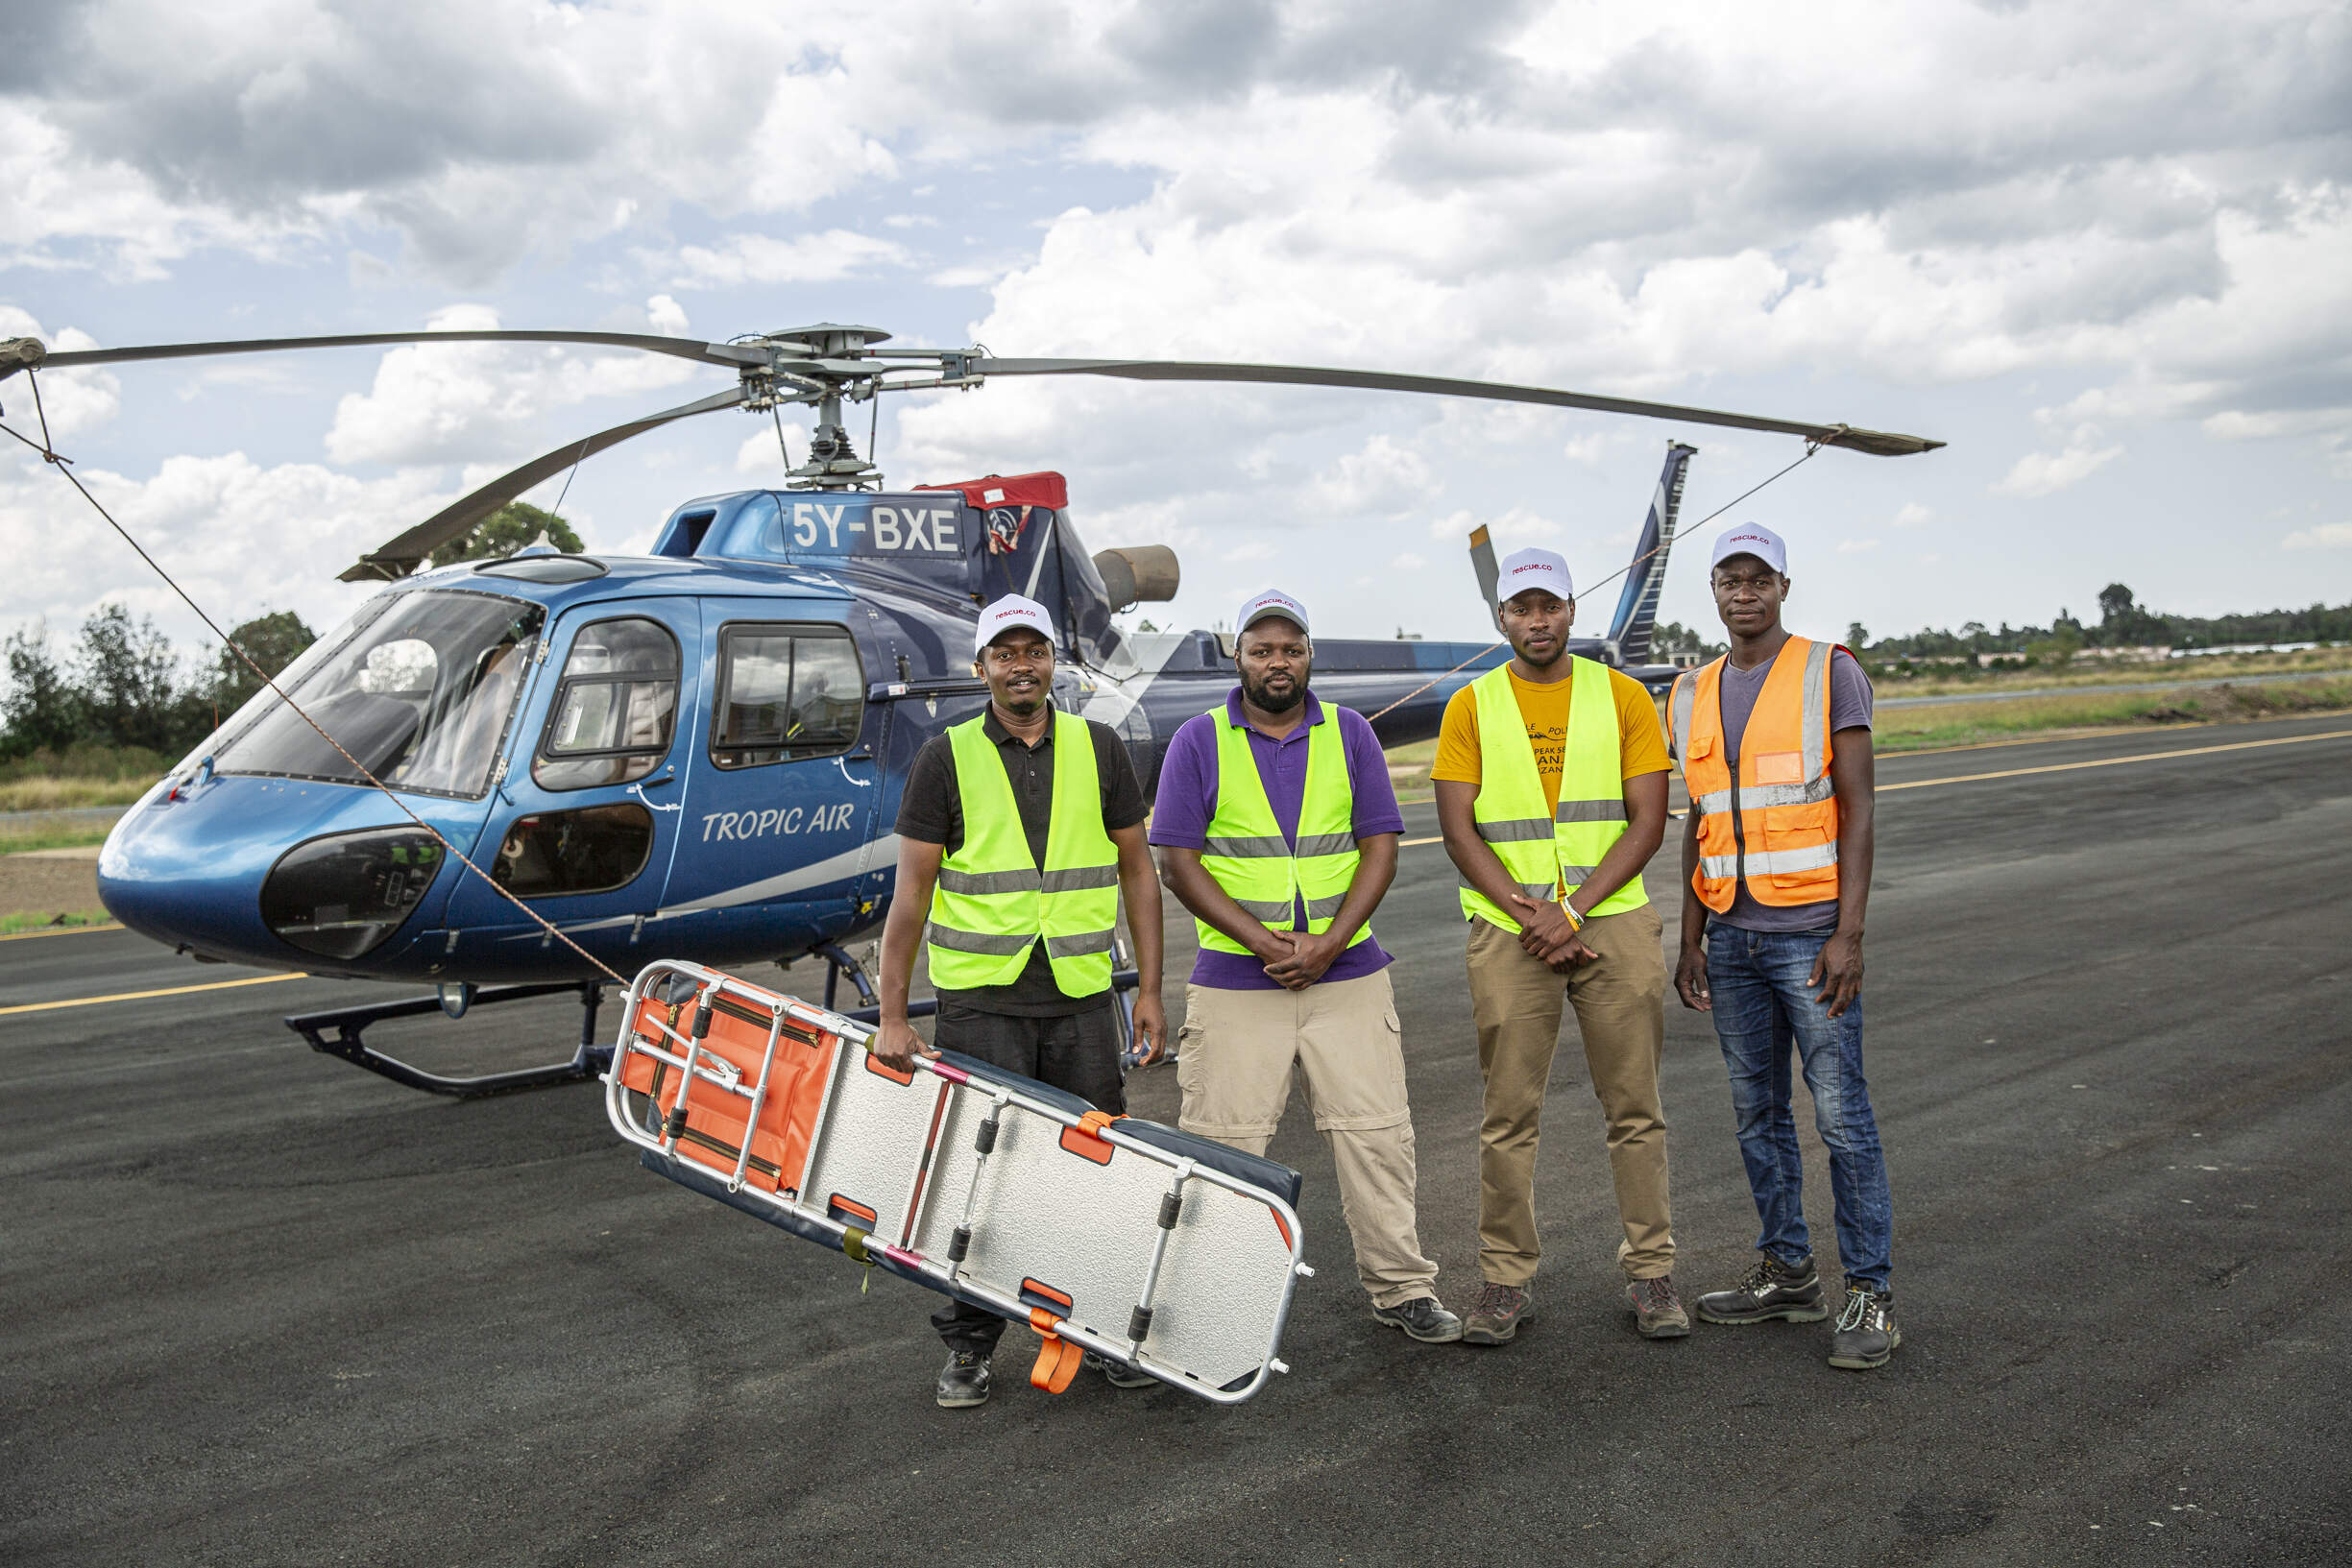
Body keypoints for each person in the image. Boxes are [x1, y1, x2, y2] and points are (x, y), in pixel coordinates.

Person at [873, 593, 1168, 1408]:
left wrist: (1147, 987)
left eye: (1033, 649)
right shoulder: (946, 755)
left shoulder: (1099, 747)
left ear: (1052, 662)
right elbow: (911, 898)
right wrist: (894, 1015)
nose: (1021, 664)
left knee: (1092, 1171)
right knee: (981, 1181)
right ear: (981, 669)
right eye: (1004, 653)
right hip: (980, 1003)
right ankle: (970, 1345)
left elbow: (1138, 872)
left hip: (1078, 998)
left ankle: (1099, 1328)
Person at [1152, 590, 1464, 1346]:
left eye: (1290, 648)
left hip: (1347, 972)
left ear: (1308, 655)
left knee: (1377, 1135)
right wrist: (1266, 942)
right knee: (1221, 1146)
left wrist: (1329, 941)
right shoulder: (1199, 739)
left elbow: (1380, 846)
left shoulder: (1350, 733)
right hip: (1236, 978)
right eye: (1261, 649)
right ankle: (1192, 1307)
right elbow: (1177, 863)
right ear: (1238, 658)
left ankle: (1401, 1288)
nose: (1277, 662)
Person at [1434, 546, 1683, 1344]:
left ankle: (1651, 1271)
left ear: (1571, 610)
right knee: (1507, 1113)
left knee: (1634, 1108)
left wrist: (1571, 910)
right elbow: (1457, 826)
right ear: (1501, 617)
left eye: (1549, 605)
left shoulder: (1623, 697)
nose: (1535, 620)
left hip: (1606, 917)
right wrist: (1530, 911)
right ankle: (1504, 1280)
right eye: (1520, 607)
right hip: (1512, 926)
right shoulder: (1470, 705)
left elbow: (1648, 818)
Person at [1667, 523, 1897, 1370]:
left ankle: (1868, 1289)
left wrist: (1849, 931)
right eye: (1728, 579)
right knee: (1756, 1114)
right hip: (1729, 937)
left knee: (1841, 1119)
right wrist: (1691, 934)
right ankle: (1788, 1270)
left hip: (1809, 935)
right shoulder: (1689, 690)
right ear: (1716, 591)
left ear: (1782, 587)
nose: (1743, 592)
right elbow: (1699, 818)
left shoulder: (1828, 671)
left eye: (1758, 578)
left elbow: (1860, 807)